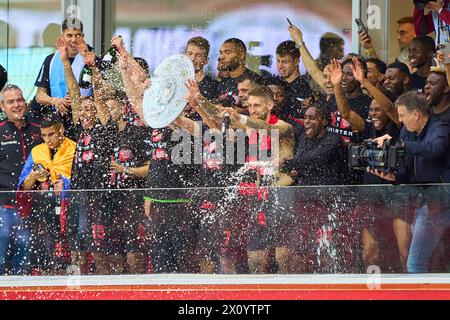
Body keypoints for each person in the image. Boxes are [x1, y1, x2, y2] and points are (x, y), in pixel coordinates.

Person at [371, 91, 450, 273]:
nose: (400, 120)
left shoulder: (440, 127)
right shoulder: (407, 132)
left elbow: (434, 149)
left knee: (415, 264)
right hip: (424, 203)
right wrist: (394, 177)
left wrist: (400, 143)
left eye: (402, 115)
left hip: (441, 203)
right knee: (430, 261)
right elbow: (406, 169)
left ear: (415, 114)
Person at [59, 35, 116, 275]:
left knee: (99, 241)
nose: (83, 111)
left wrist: (92, 66)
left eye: (87, 107)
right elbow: (74, 93)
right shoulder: (79, 126)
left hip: (99, 192)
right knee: (77, 237)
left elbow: (100, 96)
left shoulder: (103, 126)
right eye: (81, 108)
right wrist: (65, 61)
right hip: (79, 191)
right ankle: (78, 279)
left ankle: (103, 282)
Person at [18, 112, 75, 275]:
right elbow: (23, 187)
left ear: (61, 130)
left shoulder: (74, 149)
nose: (47, 140)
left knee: (68, 261)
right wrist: (32, 177)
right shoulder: (37, 152)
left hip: (68, 210)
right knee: (45, 261)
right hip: (43, 211)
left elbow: (84, 182)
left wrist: (66, 185)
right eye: (44, 135)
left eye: (51, 134)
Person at [0, 84, 42, 275]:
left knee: (25, 260)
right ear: (2, 106)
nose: (16, 105)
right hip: (4, 207)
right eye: (10, 102)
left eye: (19, 100)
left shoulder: (38, 130)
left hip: (34, 206)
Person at [34, 17, 92, 140]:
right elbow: (39, 96)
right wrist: (56, 101)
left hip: (86, 120)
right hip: (59, 123)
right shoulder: (51, 60)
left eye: (77, 35)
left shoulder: (92, 57)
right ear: (62, 36)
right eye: (69, 35)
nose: (74, 40)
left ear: (83, 36)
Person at [215, 38, 261, 104]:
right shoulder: (223, 83)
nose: (221, 57)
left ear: (241, 55)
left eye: (228, 52)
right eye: (221, 53)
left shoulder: (255, 80)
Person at [275, 40, 313, 119]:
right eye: (278, 61)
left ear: (296, 62)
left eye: (285, 62)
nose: (280, 66)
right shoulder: (274, 84)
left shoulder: (305, 89)